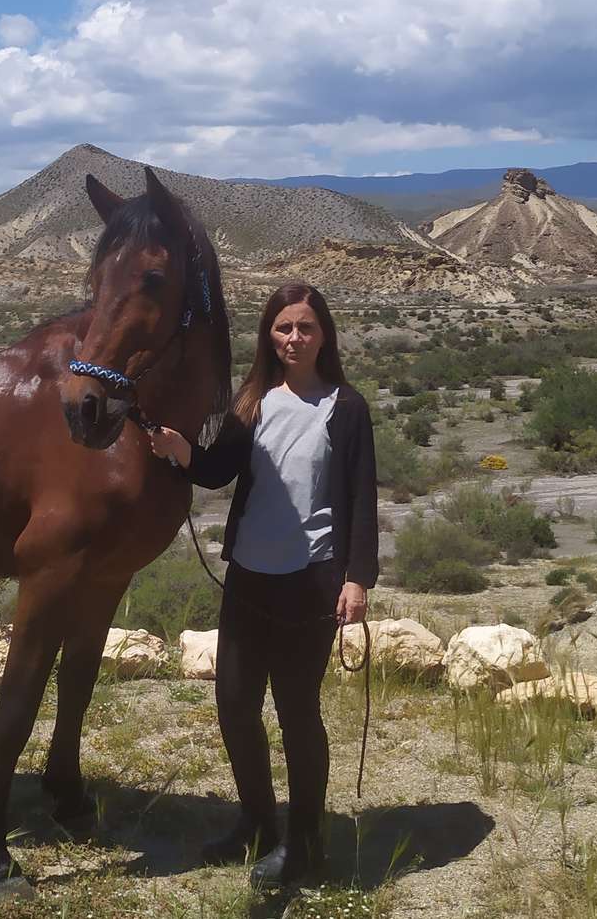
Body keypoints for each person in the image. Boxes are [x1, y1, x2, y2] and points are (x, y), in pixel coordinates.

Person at [147, 280, 378, 891]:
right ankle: (255, 821)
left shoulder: (345, 407)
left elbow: (361, 497)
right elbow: (219, 469)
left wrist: (357, 579)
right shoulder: (251, 400)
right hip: (249, 576)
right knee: (234, 704)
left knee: (298, 713)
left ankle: (305, 844)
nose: (293, 338)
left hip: (312, 582)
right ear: (268, 336)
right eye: (283, 328)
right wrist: (179, 450)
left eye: (305, 327)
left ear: (323, 333)